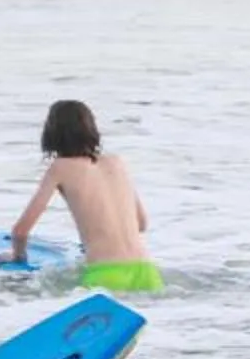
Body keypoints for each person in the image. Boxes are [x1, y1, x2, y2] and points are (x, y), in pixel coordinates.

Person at [11, 99, 160, 292]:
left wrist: (17, 257)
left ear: (52, 133)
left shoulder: (60, 168)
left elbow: (20, 232)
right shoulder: (116, 162)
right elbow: (141, 224)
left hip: (106, 274)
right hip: (146, 271)